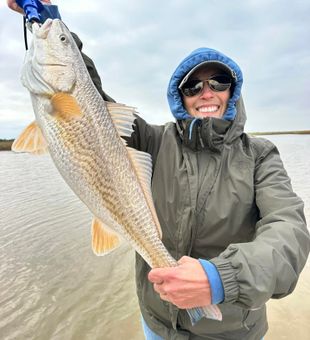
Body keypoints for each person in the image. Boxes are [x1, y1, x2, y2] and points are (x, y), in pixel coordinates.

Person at [8, 2, 310, 339]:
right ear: (179, 97)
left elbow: (289, 232)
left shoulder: (260, 155)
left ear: (233, 90)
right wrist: (51, 21)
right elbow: (91, 103)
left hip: (232, 331)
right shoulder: (152, 139)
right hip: (157, 323)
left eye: (218, 82)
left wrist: (220, 279)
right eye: (192, 86)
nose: (206, 93)